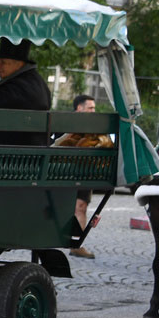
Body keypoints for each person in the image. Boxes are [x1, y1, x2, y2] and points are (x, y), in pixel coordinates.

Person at [57, 94, 114, 259]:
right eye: (90, 108)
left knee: (81, 206)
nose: (93, 111)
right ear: (79, 108)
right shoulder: (64, 124)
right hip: (64, 173)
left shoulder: (95, 127)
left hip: (85, 171)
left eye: (94, 108)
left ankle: (77, 245)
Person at [0, 40, 51, 145]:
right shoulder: (37, 82)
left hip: (12, 152)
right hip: (35, 150)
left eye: (3, 62)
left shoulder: (20, 87)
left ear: (19, 64)